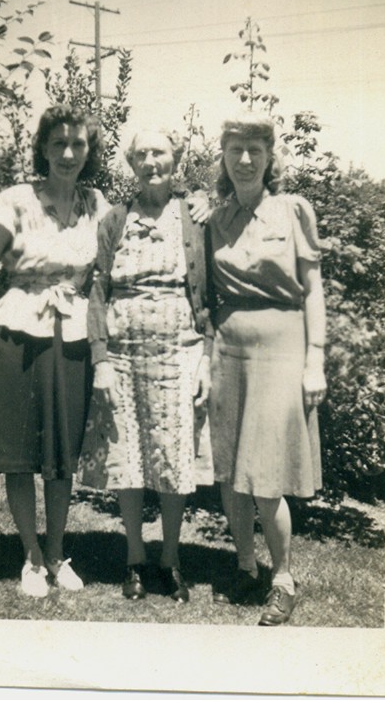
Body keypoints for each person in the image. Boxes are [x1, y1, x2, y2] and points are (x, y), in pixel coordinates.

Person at [0, 104, 110, 597]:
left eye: (78, 144)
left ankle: (56, 552)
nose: (68, 154)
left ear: (89, 151)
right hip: (19, 335)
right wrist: (9, 303)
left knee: (61, 451)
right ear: (43, 149)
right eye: (58, 144)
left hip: (73, 336)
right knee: (21, 452)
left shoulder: (97, 204)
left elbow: (128, 246)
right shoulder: (16, 200)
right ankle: (30, 556)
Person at [82, 128, 214, 603]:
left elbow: (212, 295)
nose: (151, 161)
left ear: (175, 159)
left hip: (180, 352)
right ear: (132, 163)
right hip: (123, 355)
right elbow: (98, 290)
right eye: (142, 154)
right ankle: (135, 559)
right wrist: (100, 360)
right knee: (129, 458)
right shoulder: (115, 220)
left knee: (174, 457)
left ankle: (170, 559)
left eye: (159, 152)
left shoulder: (195, 217)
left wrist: (207, 359)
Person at [207, 113, 326, 625]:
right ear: (223, 156)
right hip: (228, 349)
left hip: (282, 346)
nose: (245, 160)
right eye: (235, 150)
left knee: (266, 471)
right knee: (231, 470)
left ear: (269, 156)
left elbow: (313, 288)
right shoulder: (215, 218)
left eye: (255, 150)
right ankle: (245, 566)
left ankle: (283, 578)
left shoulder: (293, 210)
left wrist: (315, 357)